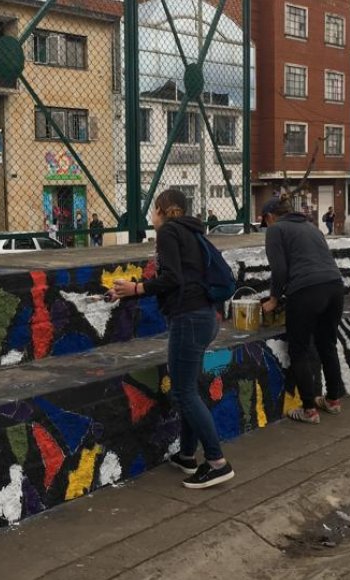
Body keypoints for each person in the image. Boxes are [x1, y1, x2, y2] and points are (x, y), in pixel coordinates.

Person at [109, 189, 234, 489]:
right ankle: (188, 456)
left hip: (189, 319)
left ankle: (217, 463)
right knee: (187, 389)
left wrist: (136, 289)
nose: (151, 216)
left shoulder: (168, 233)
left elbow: (173, 279)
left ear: (165, 209)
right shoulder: (192, 232)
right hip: (205, 317)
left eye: (154, 209)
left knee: (183, 393)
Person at [261, 194, 347, 424]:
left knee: (299, 349)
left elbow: (279, 270)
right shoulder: (312, 227)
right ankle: (333, 400)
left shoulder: (276, 230)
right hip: (335, 286)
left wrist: (274, 298)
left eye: (265, 222)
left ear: (270, 217)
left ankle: (309, 409)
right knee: (327, 344)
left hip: (306, 290)